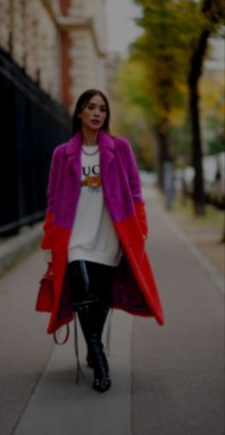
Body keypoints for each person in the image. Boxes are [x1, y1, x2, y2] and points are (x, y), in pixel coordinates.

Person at [38, 88, 164, 392]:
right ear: (79, 111)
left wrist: (140, 230)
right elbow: (53, 200)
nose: (97, 113)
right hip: (75, 238)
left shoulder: (119, 149)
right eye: (91, 107)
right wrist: (49, 241)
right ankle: (100, 359)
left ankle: (94, 353)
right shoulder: (62, 153)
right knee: (83, 296)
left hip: (110, 236)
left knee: (101, 300)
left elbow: (135, 193)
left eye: (102, 109)